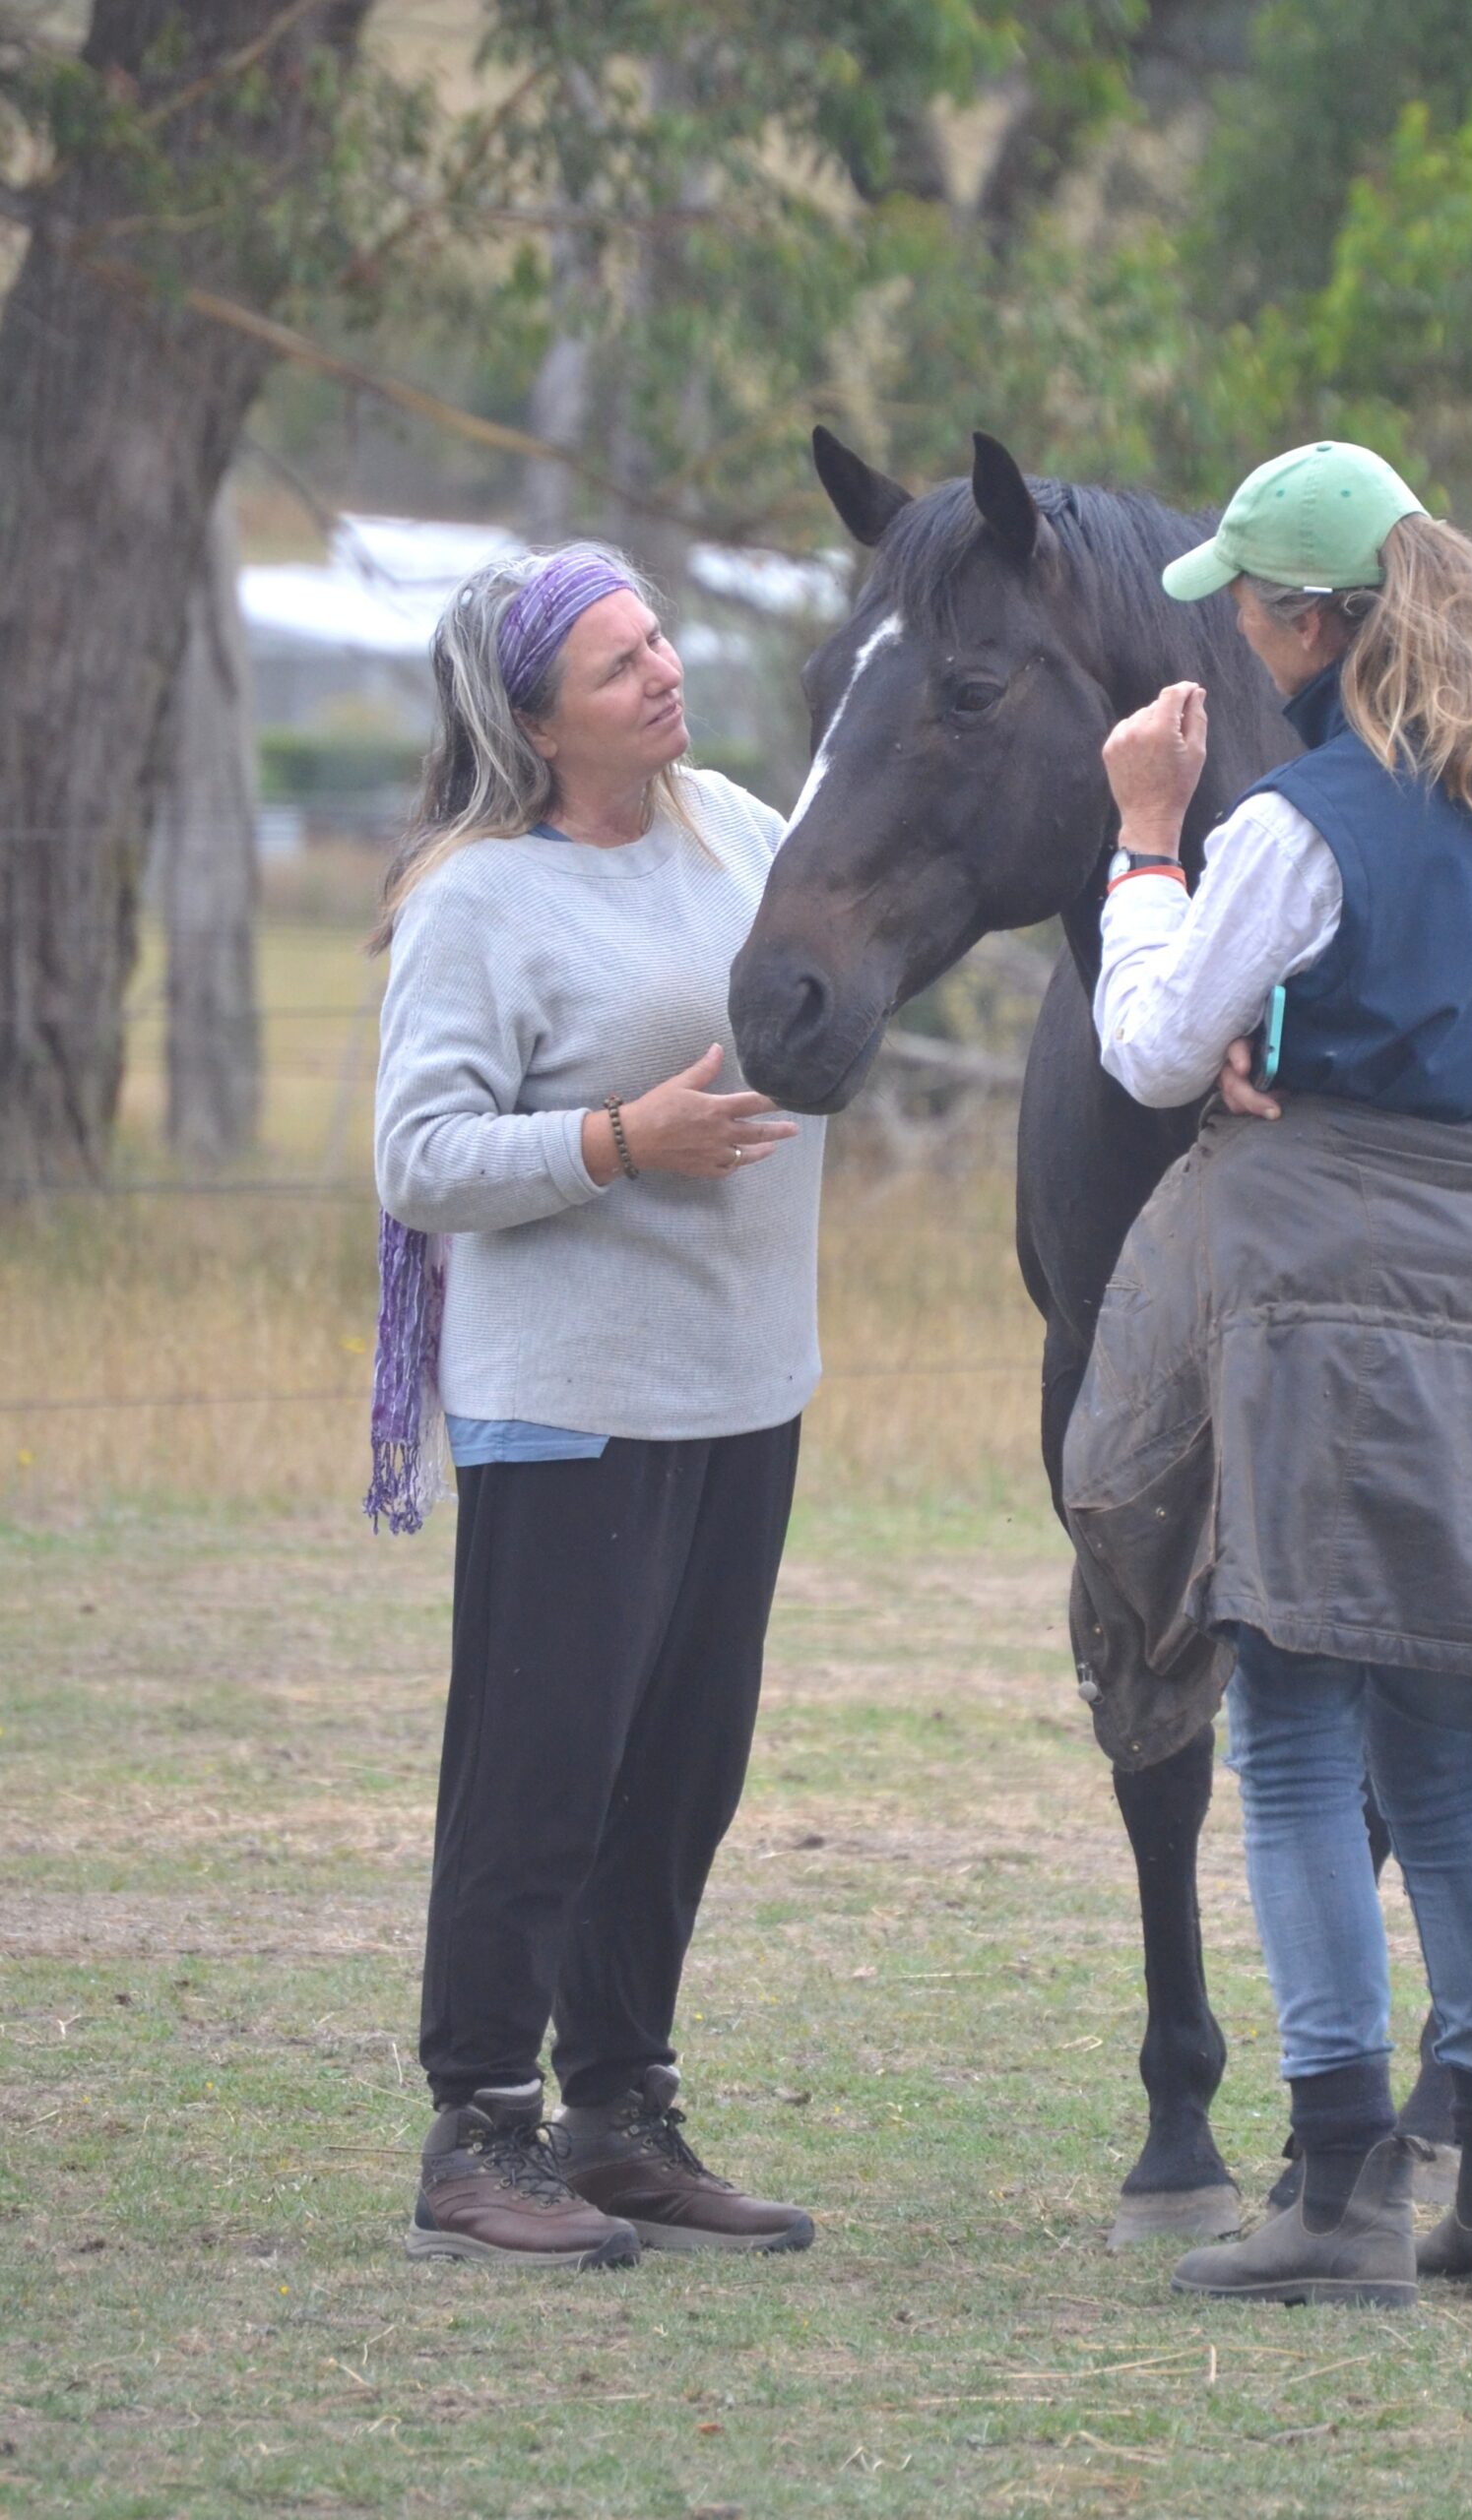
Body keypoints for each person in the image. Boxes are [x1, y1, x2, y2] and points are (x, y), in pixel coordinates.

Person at [1064, 442, 1472, 2307]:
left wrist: (1149, 839)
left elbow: (1150, 1048)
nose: (1235, 625)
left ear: (1307, 620)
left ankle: (1336, 2190)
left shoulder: (1296, 820)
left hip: (1321, 1298)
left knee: (1291, 1730)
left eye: (1247, 598)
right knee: (1445, 1746)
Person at [369, 543, 820, 2269]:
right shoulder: (478, 898)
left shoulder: (736, 826)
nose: (663, 671)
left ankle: (619, 2113)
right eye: (619, 662)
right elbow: (421, 1156)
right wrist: (622, 1142)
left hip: (743, 1387)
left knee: (679, 1776)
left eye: (659, 640)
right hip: (565, 1410)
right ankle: (479, 2130)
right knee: (542, 1775)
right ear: (540, 718)